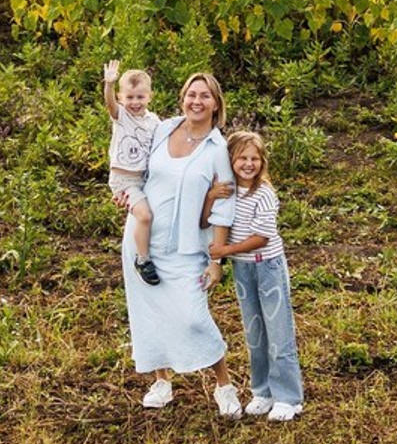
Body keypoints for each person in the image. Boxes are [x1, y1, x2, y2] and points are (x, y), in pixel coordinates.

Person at [120, 71, 243, 418]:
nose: (196, 101)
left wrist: (216, 260)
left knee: (193, 317)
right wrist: (125, 193)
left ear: (216, 104)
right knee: (149, 312)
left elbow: (224, 208)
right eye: (191, 94)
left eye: (204, 96)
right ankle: (161, 381)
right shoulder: (162, 129)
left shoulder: (217, 149)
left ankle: (224, 385)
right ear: (182, 98)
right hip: (143, 241)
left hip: (187, 248)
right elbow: (135, 167)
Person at [207, 130, 305, 423]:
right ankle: (263, 391)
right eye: (242, 158)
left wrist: (224, 250)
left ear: (262, 162)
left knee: (278, 332)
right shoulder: (228, 191)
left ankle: (289, 397)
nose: (248, 164)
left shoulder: (264, 193)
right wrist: (211, 196)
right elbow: (210, 218)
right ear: (230, 160)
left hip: (267, 267)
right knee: (255, 332)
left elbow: (262, 237)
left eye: (255, 158)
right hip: (243, 268)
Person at [102, 60, 160, 284]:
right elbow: (110, 105)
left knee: (153, 214)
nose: (135, 102)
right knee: (145, 216)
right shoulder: (121, 116)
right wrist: (109, 84)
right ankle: (142, 259)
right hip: (124, 180)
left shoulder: (153, 121)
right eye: (129, 97)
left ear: (150, 97)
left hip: (142, 178)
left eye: (140, 97)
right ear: (121, 97)